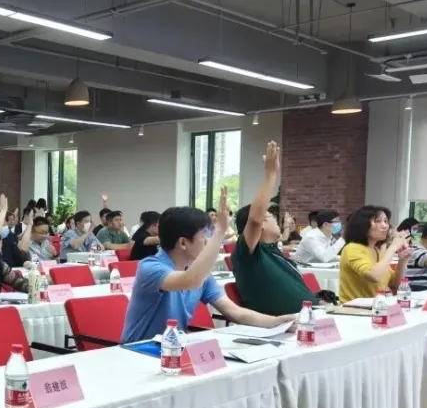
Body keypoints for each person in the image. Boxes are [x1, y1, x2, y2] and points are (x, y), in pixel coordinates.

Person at [122, 189, 296, 342]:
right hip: (137, 351)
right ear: (183, 243)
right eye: (203, 237)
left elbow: (234, 312)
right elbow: (189, 281)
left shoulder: (200, 274)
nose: (207, 242)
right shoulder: (150, 268)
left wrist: (277, 322)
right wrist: (220, 231)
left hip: (172, 348)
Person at [231, 142, 318, 315]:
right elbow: (254, 220)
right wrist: (271, 175)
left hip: (310, 316)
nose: (277, 220)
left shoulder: (272, 250)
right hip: (278, 325)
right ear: (262, 223)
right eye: (271, 216)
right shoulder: (248, 254)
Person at [338, 205, 410, 303]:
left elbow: (394, 284)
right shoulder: (352, 248)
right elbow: (374, 276)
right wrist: (393, 247)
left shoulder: (377, 249)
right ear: (362, 225)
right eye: (378, 221)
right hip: (355, 308)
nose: (385, 226)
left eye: (386, 221)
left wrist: (403, 261)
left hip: (378, 305)